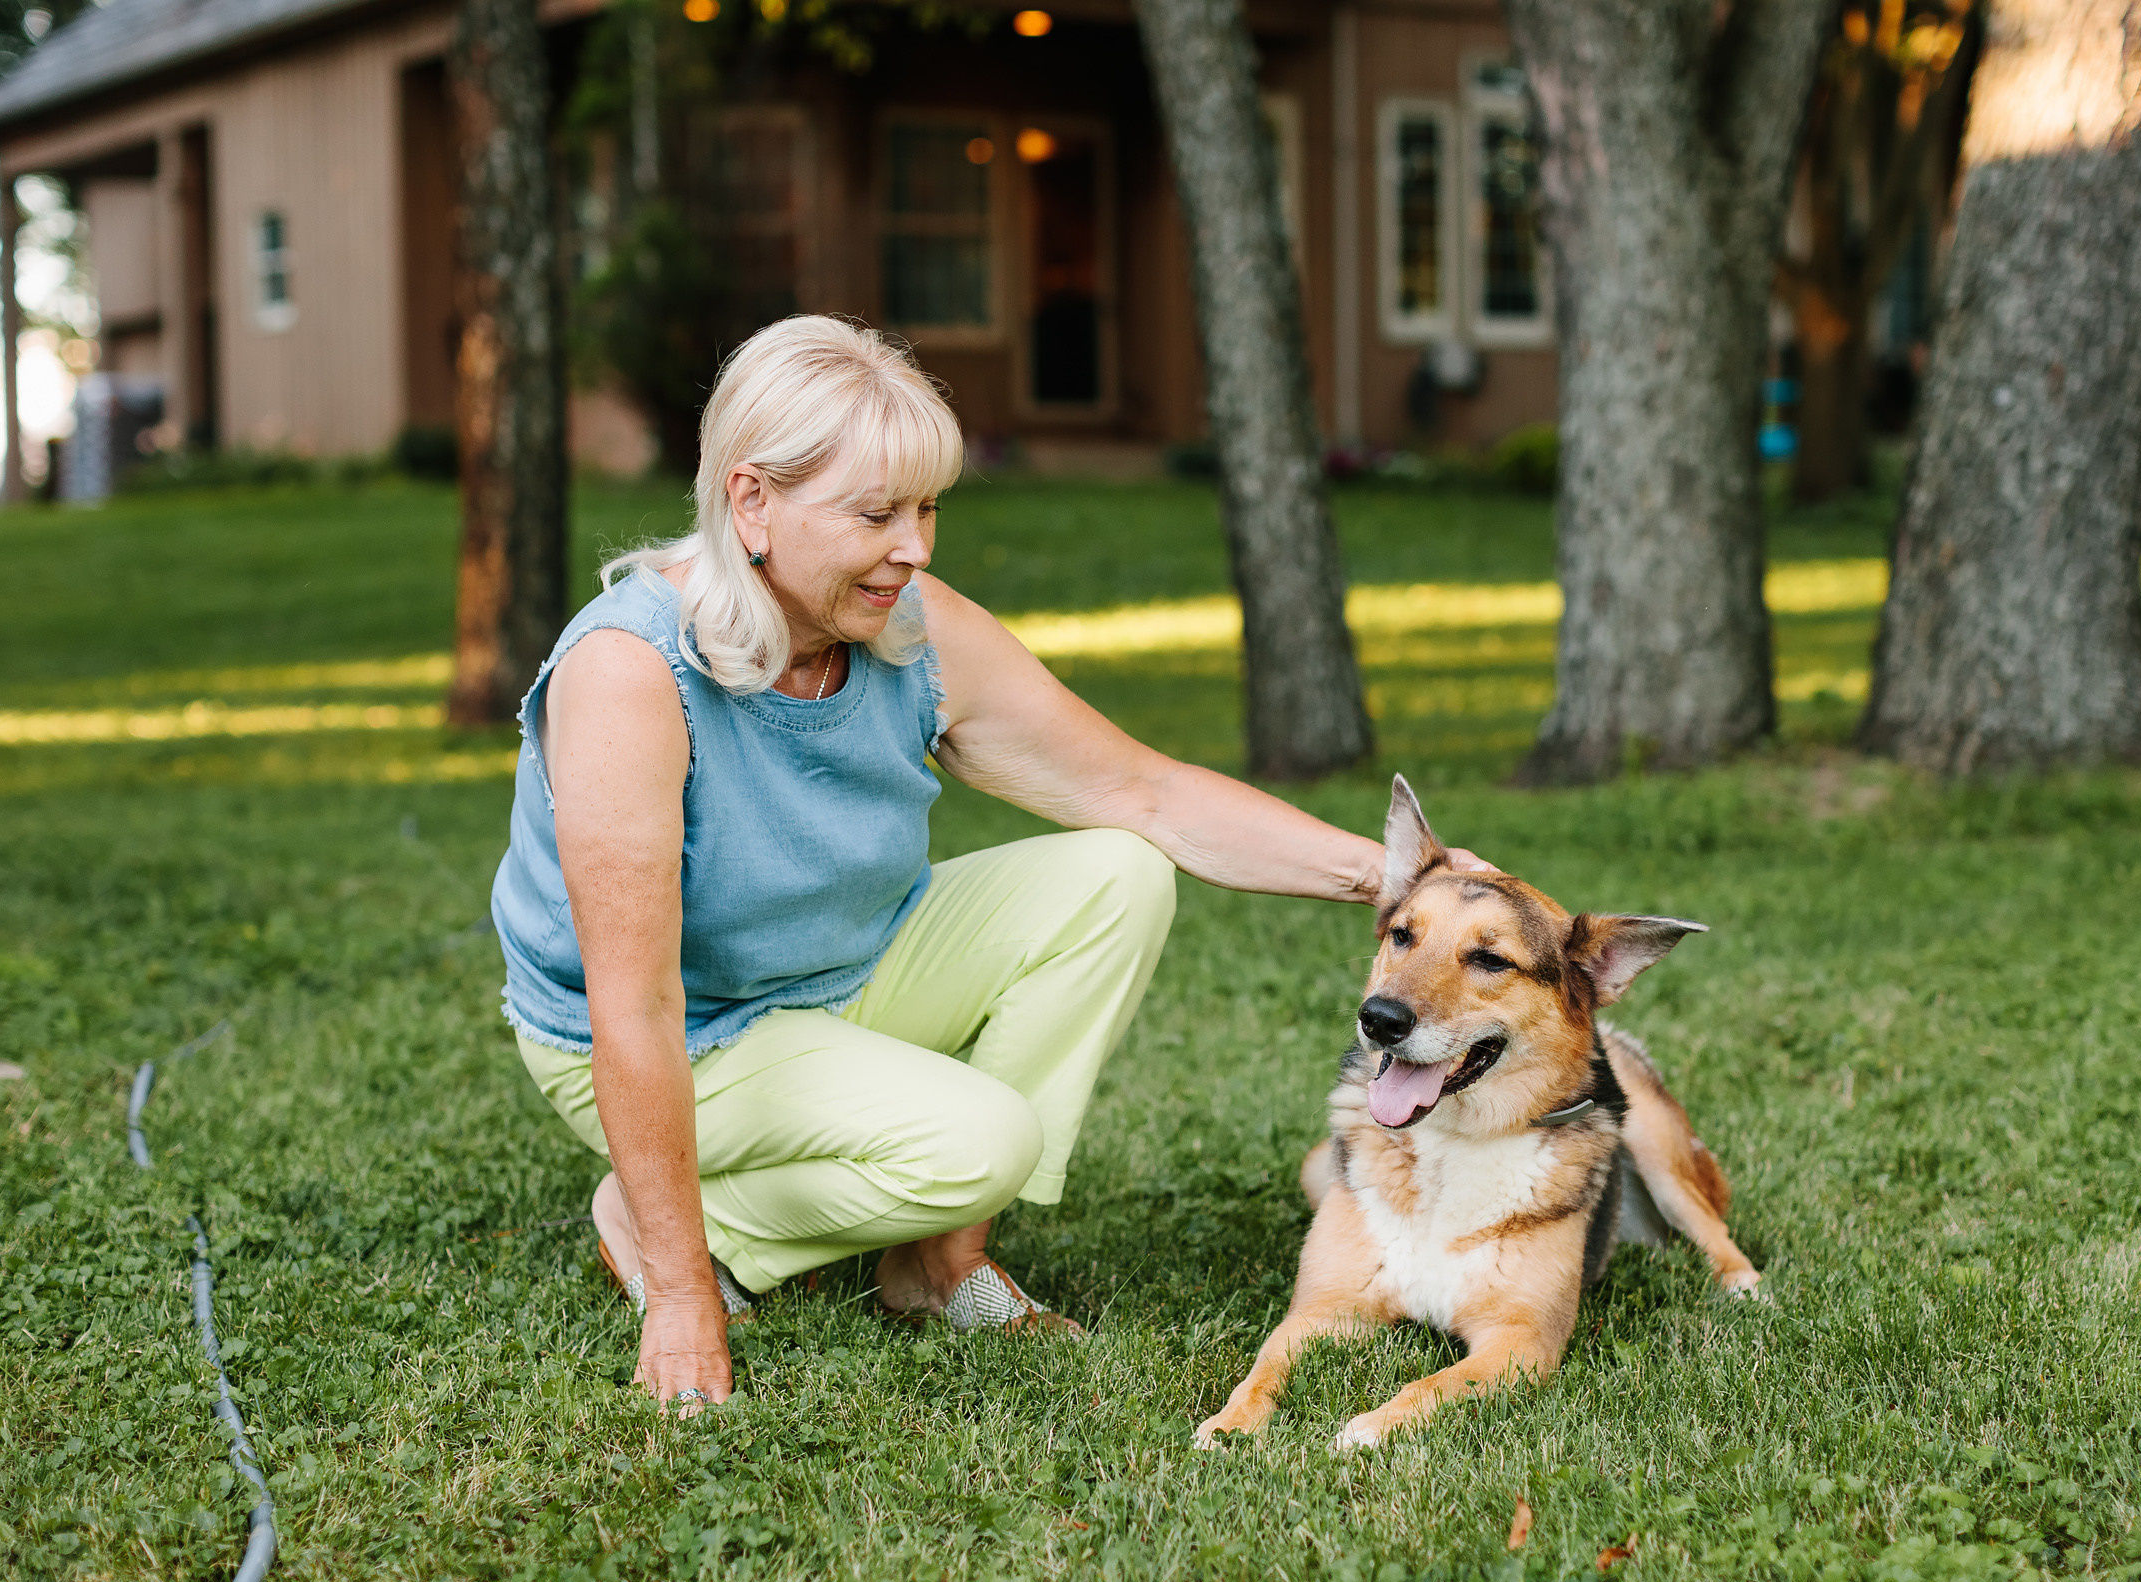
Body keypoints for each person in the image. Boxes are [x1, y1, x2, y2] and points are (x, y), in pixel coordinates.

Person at [492, 316, 1487, 1414]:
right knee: (986, 1140)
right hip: (678, 1030)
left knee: (1118, 872)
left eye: (926, 509)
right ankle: (663, 1223)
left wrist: (1397, 877)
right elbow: (634, 1006)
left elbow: (1141, 793)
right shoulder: (629, 674)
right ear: (751, 502)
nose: (913, 547)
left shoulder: (905, 624)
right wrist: (683, 1293)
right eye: (875, 515)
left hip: (844, 964)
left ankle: (936, 1261)